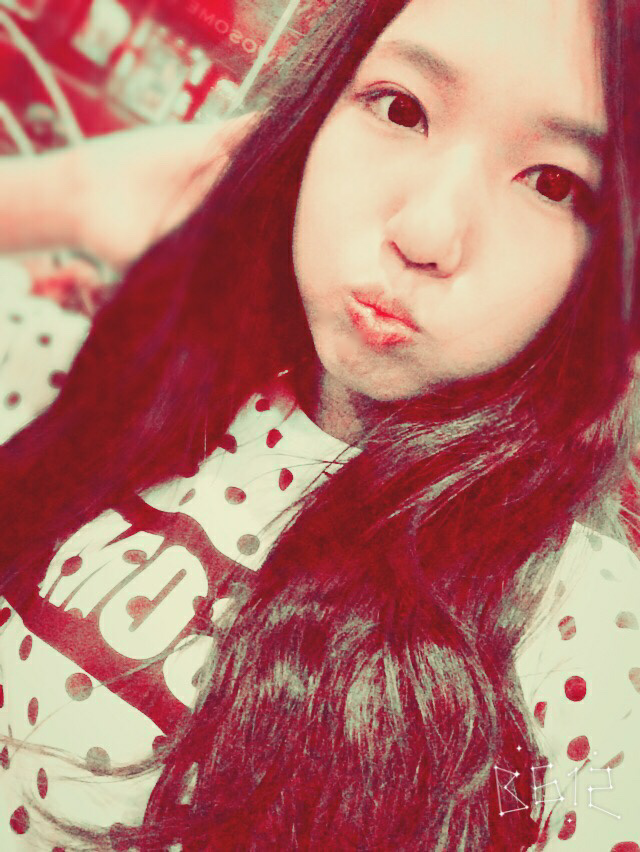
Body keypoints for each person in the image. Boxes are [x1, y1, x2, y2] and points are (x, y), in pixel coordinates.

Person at [0, 0, 639, 849]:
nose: (425, 233)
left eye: (553, 183)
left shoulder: (577, 624)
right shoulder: (116, 379)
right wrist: (68, 199)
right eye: (400, 108)